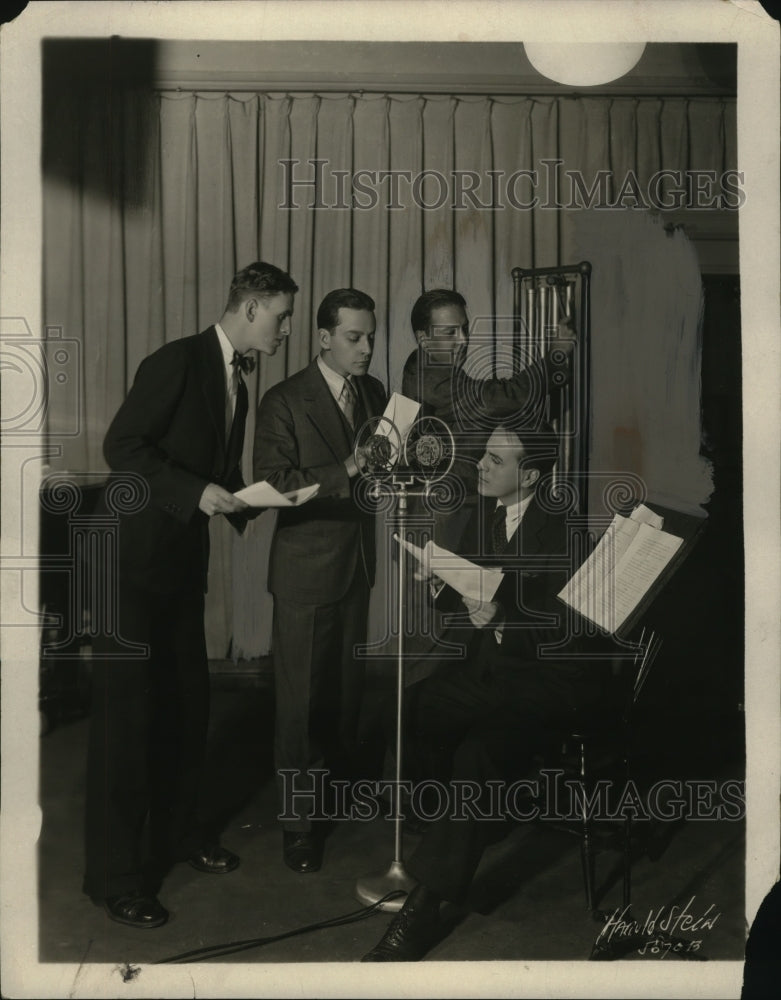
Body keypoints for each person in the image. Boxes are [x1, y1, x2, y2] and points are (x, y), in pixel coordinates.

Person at [83, 261, 298, 929]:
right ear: (252, 307)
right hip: (128, 568)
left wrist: (259, 499)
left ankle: (177, 837)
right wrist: (195, 490)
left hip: (177, 568)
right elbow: (123, 446)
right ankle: (115, 879)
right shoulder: (177, 361)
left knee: (184, 711)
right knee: (127, 725)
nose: (285, 330)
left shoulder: (238, 381)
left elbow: (214, 475)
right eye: (282, 317)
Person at [362, 423, 614, 961]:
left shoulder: (567, 534)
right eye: (485, 456)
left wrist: (501, 619)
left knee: (480, 755)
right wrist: (440, 582)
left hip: (552, 683)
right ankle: (463, 825)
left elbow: (569, 635)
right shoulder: (486, 513)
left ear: (531, 475)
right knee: (411, 709)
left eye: (496, 461)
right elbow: (470, 586)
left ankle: (422, 910)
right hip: (495, 672)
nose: (480, 465)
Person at [253, 287, 388, 874]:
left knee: (344, 694)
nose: (366, 349)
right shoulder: (284, 400)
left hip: (357, 564)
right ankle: (299, 824)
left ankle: (337, 794)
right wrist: (351, 468)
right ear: (325, 337)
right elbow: (273, 484)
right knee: (300, 704)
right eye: (355, 338)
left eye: (371, 337)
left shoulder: (374, 392)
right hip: (305, 572)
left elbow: (383, 467)